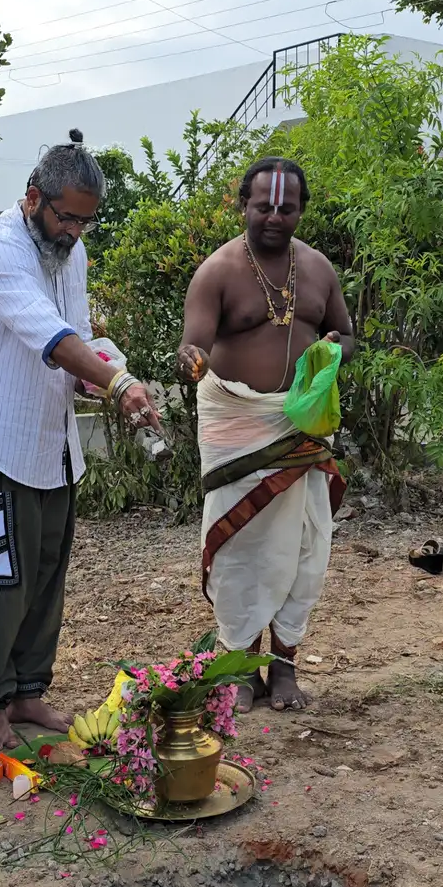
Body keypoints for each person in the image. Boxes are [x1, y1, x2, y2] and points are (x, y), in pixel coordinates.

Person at [0, 130, 160, 751]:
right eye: (67, 218)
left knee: (43, 578)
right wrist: (116, 382)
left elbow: (79, 336)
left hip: (53, 447)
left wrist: (111, 374)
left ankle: (27, 692)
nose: (74, 232)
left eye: (85, 222)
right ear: (34, 197)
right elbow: (49, 335)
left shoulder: (72, 253)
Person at [177, 157, 353, 712]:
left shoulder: (318, 268)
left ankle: (283, 667)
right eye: (264, 206)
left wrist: (332, 350)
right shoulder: (218, 271)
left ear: (300, 210)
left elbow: (347, 334)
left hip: (301, 426)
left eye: (287, 208)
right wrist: (192, 358)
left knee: (303, 545)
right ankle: (239, 668)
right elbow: (194, 342)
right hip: (237, 424)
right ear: (244, 206)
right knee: (241, 547)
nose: (275, 216)